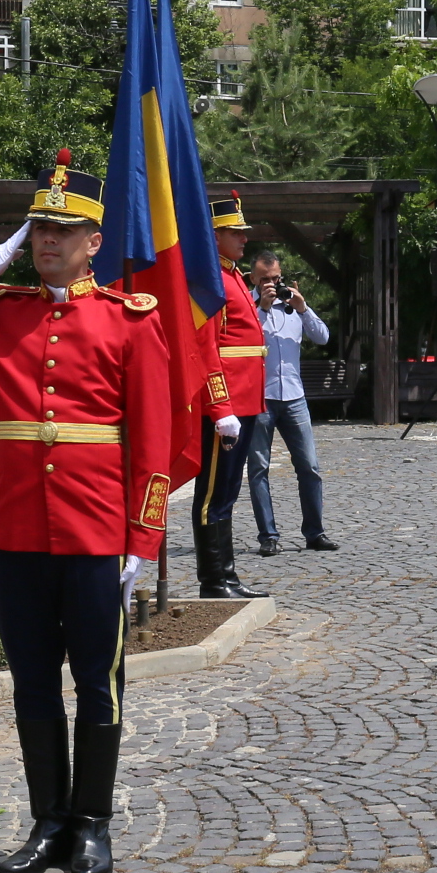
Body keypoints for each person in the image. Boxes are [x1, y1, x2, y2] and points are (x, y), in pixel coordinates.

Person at [0, 150, 174, 873]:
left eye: (63, 231)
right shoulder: (0, 314)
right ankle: (48, 820)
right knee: (31, 684)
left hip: (94, 534)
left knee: (99, 682)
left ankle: (92, 823)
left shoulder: (128, 321)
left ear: (93, 243)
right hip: (16, 533)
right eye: (38, 230)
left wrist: (142, 539)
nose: (48, 241)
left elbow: (154, 443)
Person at [191, 192, 265, 598]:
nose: (243, 239)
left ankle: (228, 576)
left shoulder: (233, 275)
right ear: (214, 235)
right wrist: (220, 407)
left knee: (228, 493)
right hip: (227, 403)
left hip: (246, 399)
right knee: (213, 496)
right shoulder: (213, 280)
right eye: (234, 232)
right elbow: (207, 350)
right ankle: (214, 580)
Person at [243, 250, 338, 556]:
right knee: (258, 469)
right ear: (253, 279)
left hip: (294, 398)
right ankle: (268, 535)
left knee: (309, 466)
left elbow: (323, 338)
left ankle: (314, 532)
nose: (272, 284)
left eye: (276, 278)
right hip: (260, 399)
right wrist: (261, 307)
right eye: (265, 280)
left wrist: (304, 308)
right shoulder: (246, 304)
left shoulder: (292, 307)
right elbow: (238, 339)